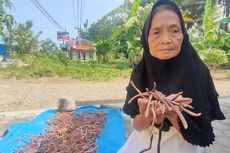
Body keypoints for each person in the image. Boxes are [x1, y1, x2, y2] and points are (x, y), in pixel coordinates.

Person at [117, 0, 225, 153]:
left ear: (183, 34)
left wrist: (174, 116)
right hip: (141, 145)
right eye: (156, 32)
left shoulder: (199, 72)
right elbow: (137, 126)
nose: (166, 39)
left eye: (174, 30)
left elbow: (203, 136)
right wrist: (146, 116)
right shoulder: (140, 74)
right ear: (146, 38)